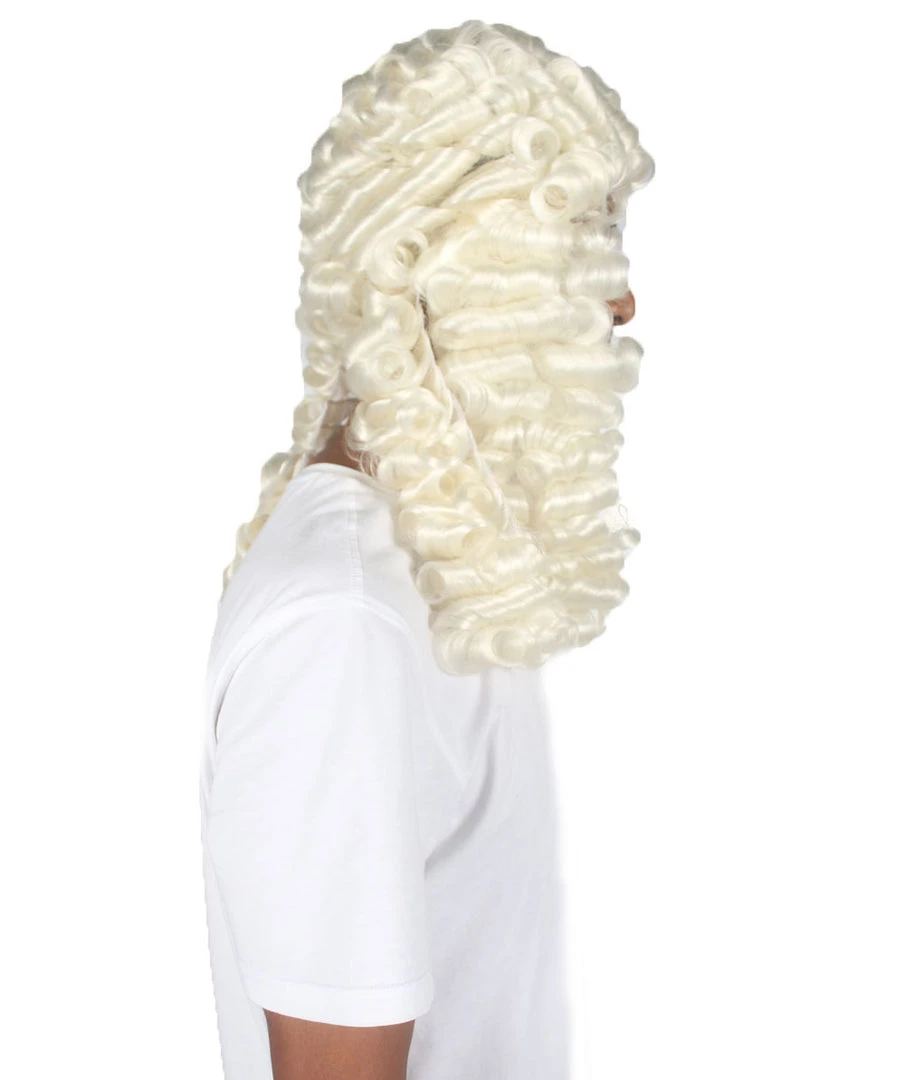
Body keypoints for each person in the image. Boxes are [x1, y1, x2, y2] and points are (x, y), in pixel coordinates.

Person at [199, 19, 653, 1080]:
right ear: (463, 273)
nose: (624, 299)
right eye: (585, 242)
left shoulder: (436, 571)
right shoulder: (344, 629)